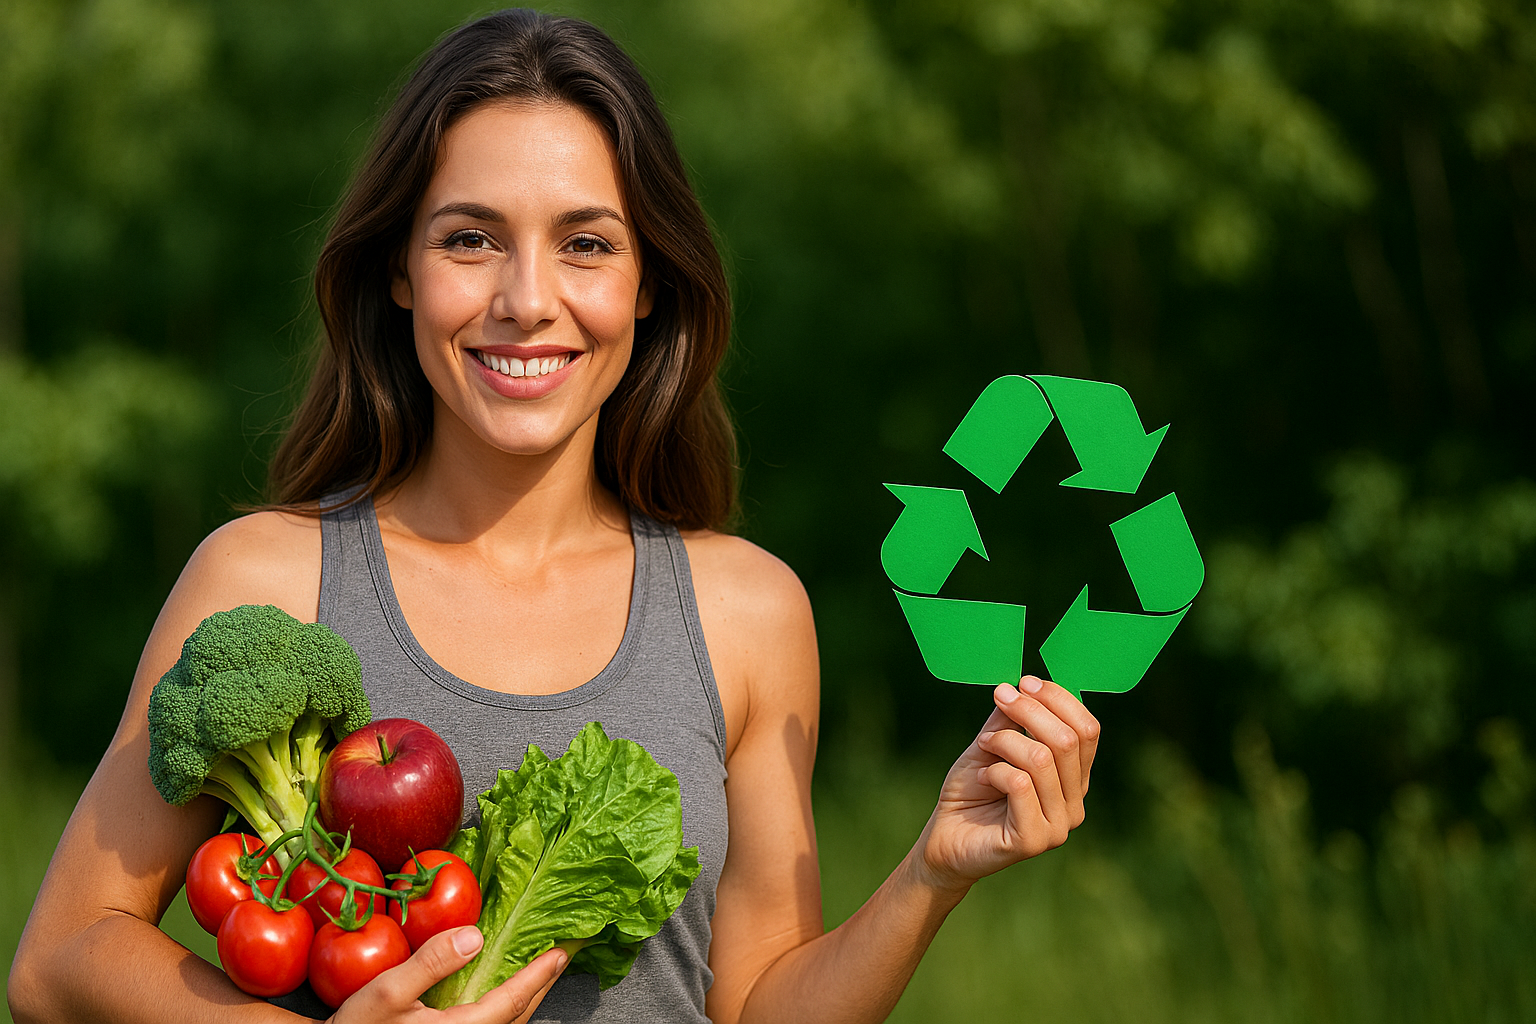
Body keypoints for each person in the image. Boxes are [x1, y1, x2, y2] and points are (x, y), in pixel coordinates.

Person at [6, 9, 1099, 1024]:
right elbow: (57, 961)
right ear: (398, 270)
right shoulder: (262, 582)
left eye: (586, 243)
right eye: (471, 239)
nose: (527, 299)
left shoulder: (748, 609)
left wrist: (932, 873)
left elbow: (761, 1001)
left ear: (649, 283)